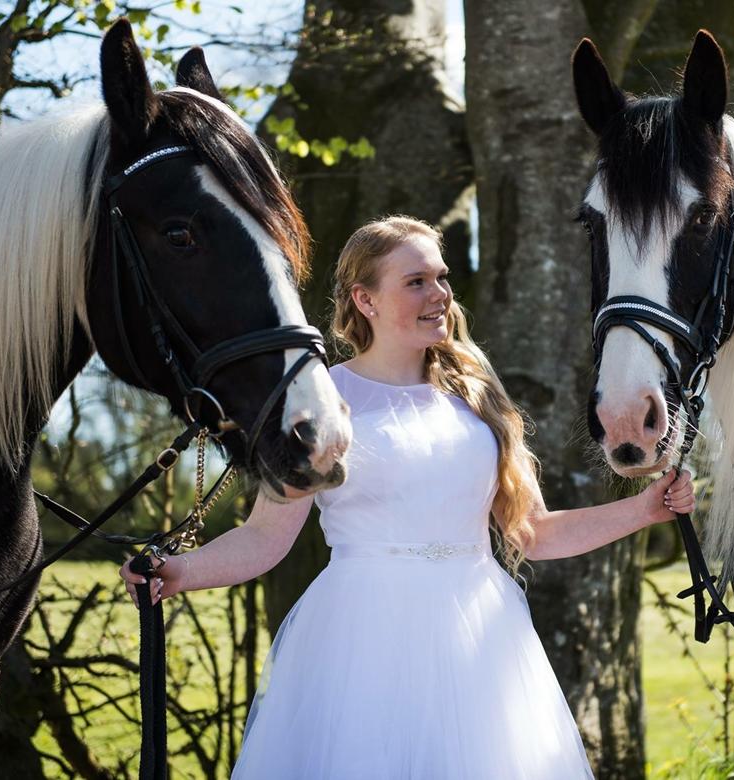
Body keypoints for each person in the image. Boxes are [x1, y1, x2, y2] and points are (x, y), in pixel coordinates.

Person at [121, 216, 695, 779]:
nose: (439, 294)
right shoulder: (322, 400)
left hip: (481, 636)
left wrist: (646, 508)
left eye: (441, 278)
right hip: (361, 638)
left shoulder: (476, 396)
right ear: (364, 300)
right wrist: (180, 571)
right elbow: (265, 537)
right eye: (416, 281)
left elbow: (533, 533)